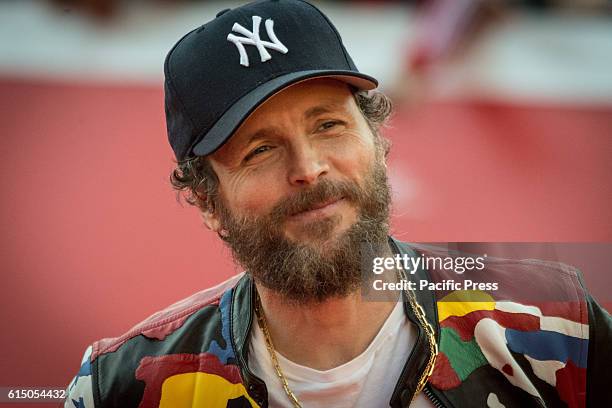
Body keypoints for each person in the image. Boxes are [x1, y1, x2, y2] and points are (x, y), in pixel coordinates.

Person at [64, 1, 611, 407]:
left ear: (378, 141)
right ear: (206, 200)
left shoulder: (559, 327)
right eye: (259, 150)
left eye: (329, 125)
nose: (308, 168)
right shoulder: (125, 385)